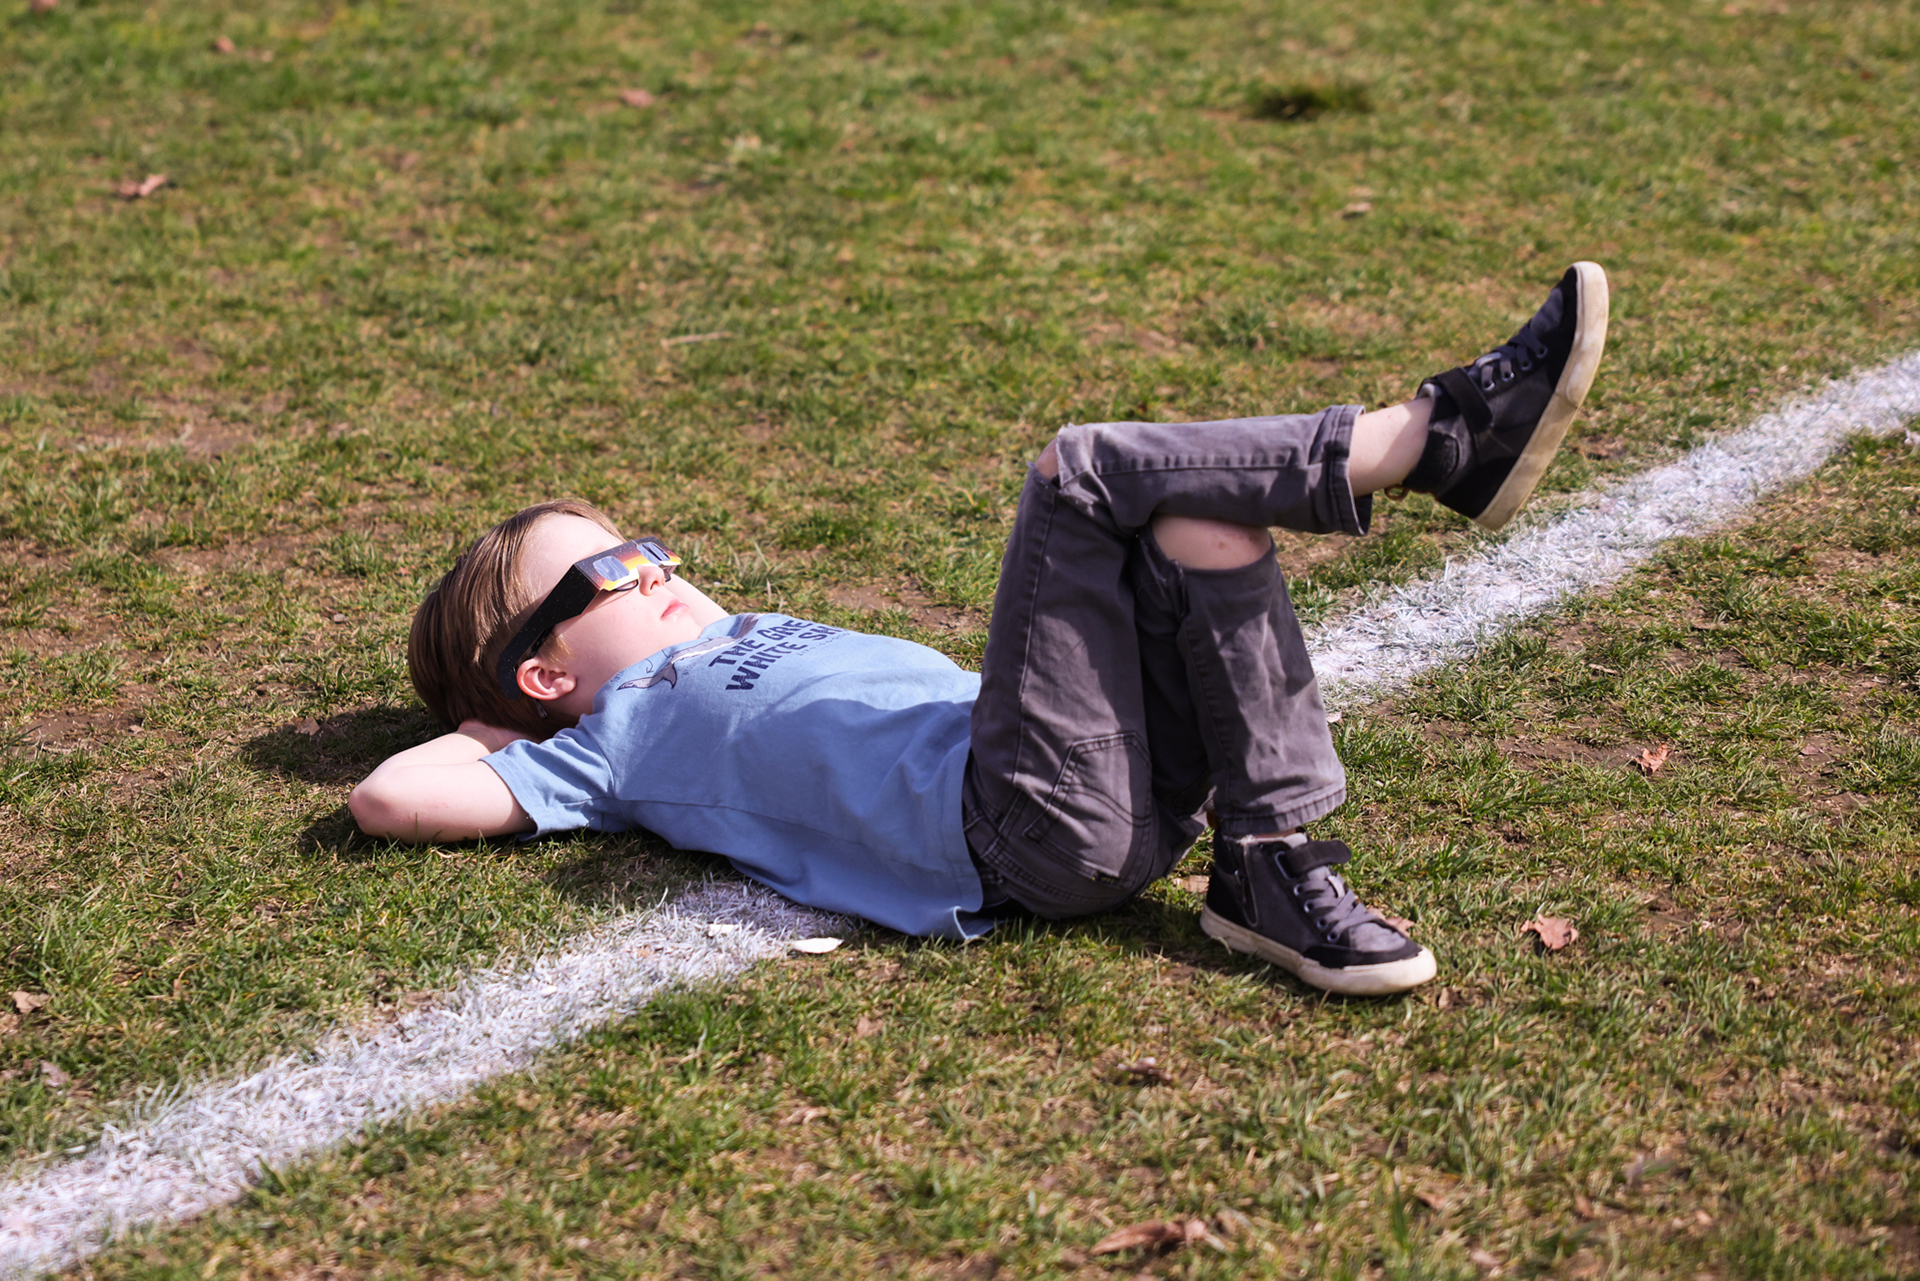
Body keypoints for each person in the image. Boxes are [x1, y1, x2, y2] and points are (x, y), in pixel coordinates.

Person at [351, 263, 1610, 997]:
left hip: (1103, 786)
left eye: (652, 546)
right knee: (1078, 473)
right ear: (545, 667)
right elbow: (391, 802)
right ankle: (1433, 439)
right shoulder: (609, 743)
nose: (658, 568)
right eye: (615, 569)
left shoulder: (730, 639)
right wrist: (485, 734)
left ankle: (1272, 862)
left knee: (1196, 521)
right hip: (1011, 824)